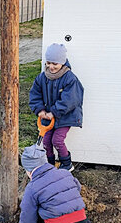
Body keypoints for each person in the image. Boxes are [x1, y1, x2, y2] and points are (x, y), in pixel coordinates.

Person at [19, 144, 96, 223]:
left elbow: (27, 213)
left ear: (28, 170)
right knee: (87, 222)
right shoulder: (65, 173)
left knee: (36, 208)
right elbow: (77, 188)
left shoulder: (32, 187)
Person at [29, 43, 84, 171]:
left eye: (55, 64)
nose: (51, 67)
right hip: (48, 118)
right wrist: (40, 110)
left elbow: (70, 100)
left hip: (65, 117)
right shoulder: (42, 77)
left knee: (57, 140)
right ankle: (50, 165)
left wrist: (54, 112)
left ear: (62, 63)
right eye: (48, 63)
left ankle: (67, 164)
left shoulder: (70, 79)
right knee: (46, 142)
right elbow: (35, 95)